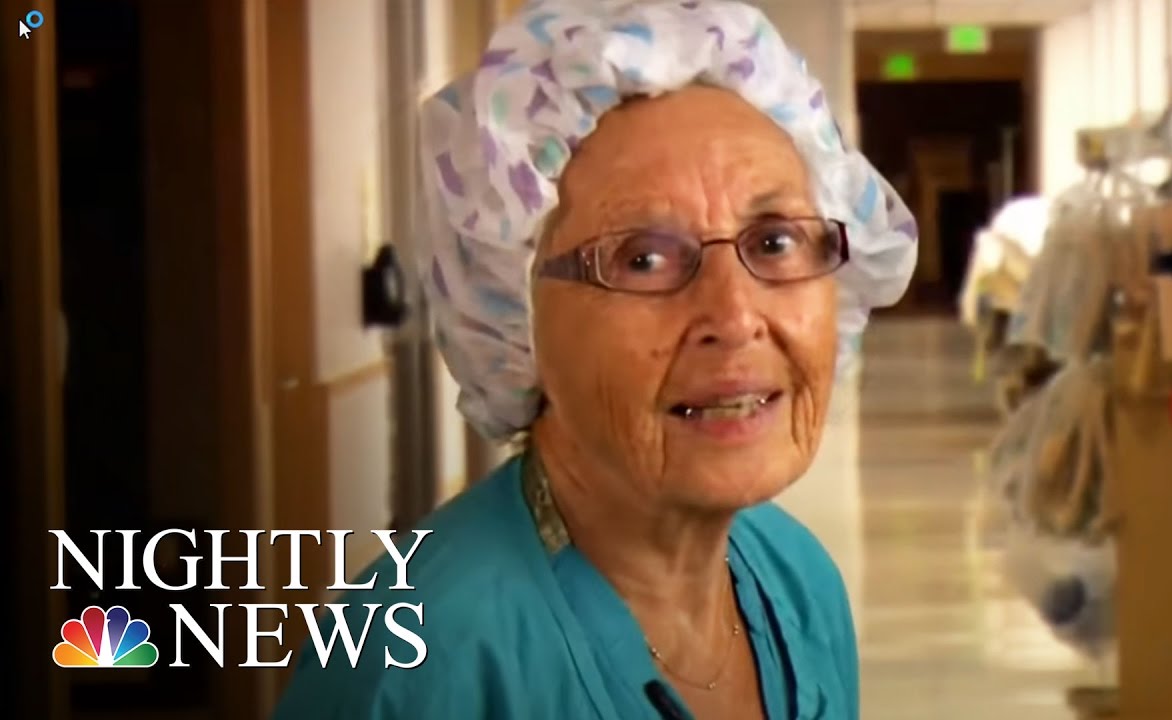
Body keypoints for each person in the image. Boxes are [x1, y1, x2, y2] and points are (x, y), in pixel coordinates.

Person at [273, 1, 916, 718]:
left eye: (772, 243)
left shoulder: (795, 579)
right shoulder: (416, 666)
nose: (735, 318)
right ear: (515, 320)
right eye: (642, 259)